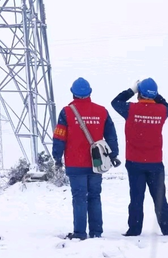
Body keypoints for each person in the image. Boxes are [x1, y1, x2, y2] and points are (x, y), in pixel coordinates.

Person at [52, 77, 121, 240]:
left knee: (79, 197)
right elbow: (111, 135)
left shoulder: (67, 112)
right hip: (96, 163)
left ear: (73, 93)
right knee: (95, 196)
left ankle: (80, 232)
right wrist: (113, 155)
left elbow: (59, 137)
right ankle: (96, 232)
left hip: (75, 163)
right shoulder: (102, 111)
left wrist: (57, 157)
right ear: (90, 92)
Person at [111, 78, 168, 237]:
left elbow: (115, 101)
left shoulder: (130, 109)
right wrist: (155, 94)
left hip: (135, 162)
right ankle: (167, 230)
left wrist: (132, 90)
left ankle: (134, 230)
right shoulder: (161, 111)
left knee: (136, 198)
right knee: (160, 198)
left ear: (139, 94)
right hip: (155, 163)